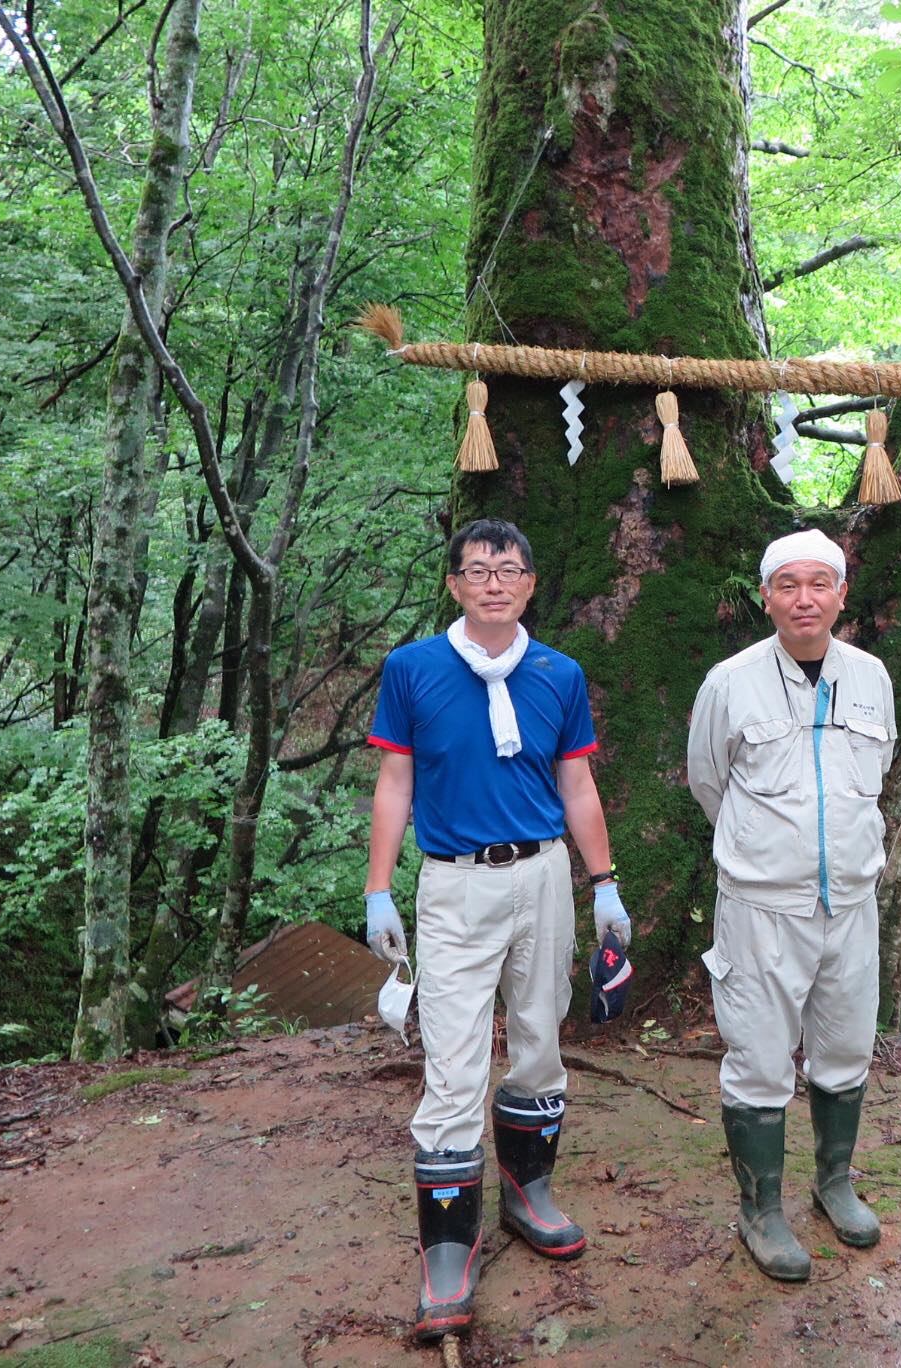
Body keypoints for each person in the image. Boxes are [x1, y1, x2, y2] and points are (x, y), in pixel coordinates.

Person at [362, 518, 632, 1342]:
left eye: (508, 570)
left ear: (529, 584)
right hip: (456, 882)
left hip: (544, 874)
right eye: (477, 570)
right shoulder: (413, 669)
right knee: (452, 1064)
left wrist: (605, 885)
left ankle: (527, 1193)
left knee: (540, 1040)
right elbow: (394, 781)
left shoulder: (558, 672)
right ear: (454, 583)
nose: (493, 583)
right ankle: (447, 1252)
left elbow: (578, 784)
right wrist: (380, 889)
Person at [686, 529, 896, 1282]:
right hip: (761, 908)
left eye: (819, 583)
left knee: (844, 1048)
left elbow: (880, 770)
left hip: (852, 902)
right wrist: (766, 851)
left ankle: (834, 1182)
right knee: (760, 1057)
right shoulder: (729, 682)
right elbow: (710, 783)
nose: (803, 598)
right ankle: (761, 1208)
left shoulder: (872, 678)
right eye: (787, 585)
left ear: (842, 593)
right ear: (765, 596)